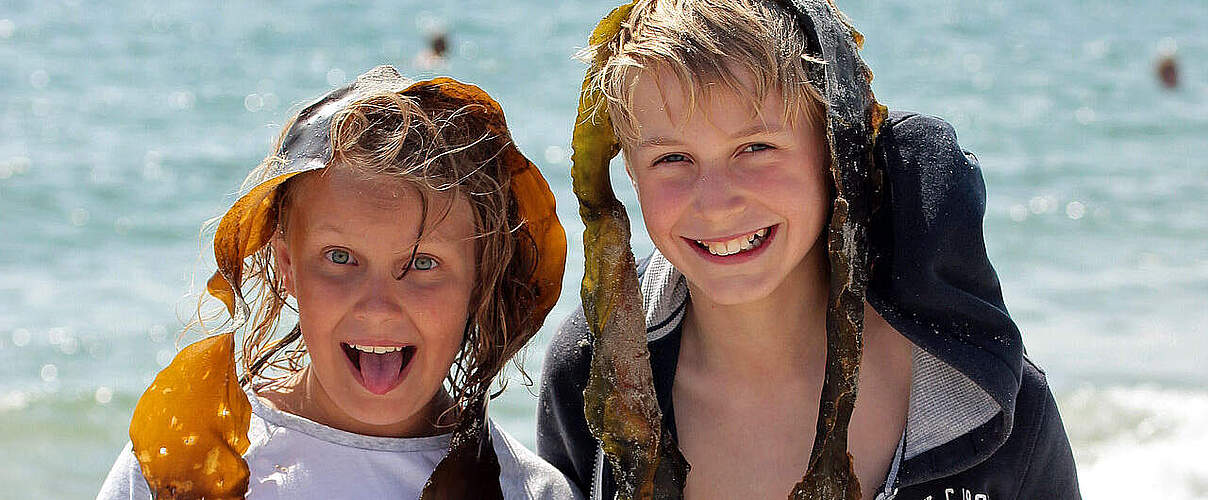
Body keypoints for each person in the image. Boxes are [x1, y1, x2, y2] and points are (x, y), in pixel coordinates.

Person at [537, 1, 1080, 499]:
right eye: (672, 158)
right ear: (628, 170)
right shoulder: (590, 372)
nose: (717, 203)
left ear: (834, 151)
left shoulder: (984, 399)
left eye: (756, 147)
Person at [98, 65, 580, 499]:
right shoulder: (183, 459)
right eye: (341, 258)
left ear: (481, 278)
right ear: (287, 265)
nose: (378, 307)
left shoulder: (524, 492)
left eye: (424, 264)